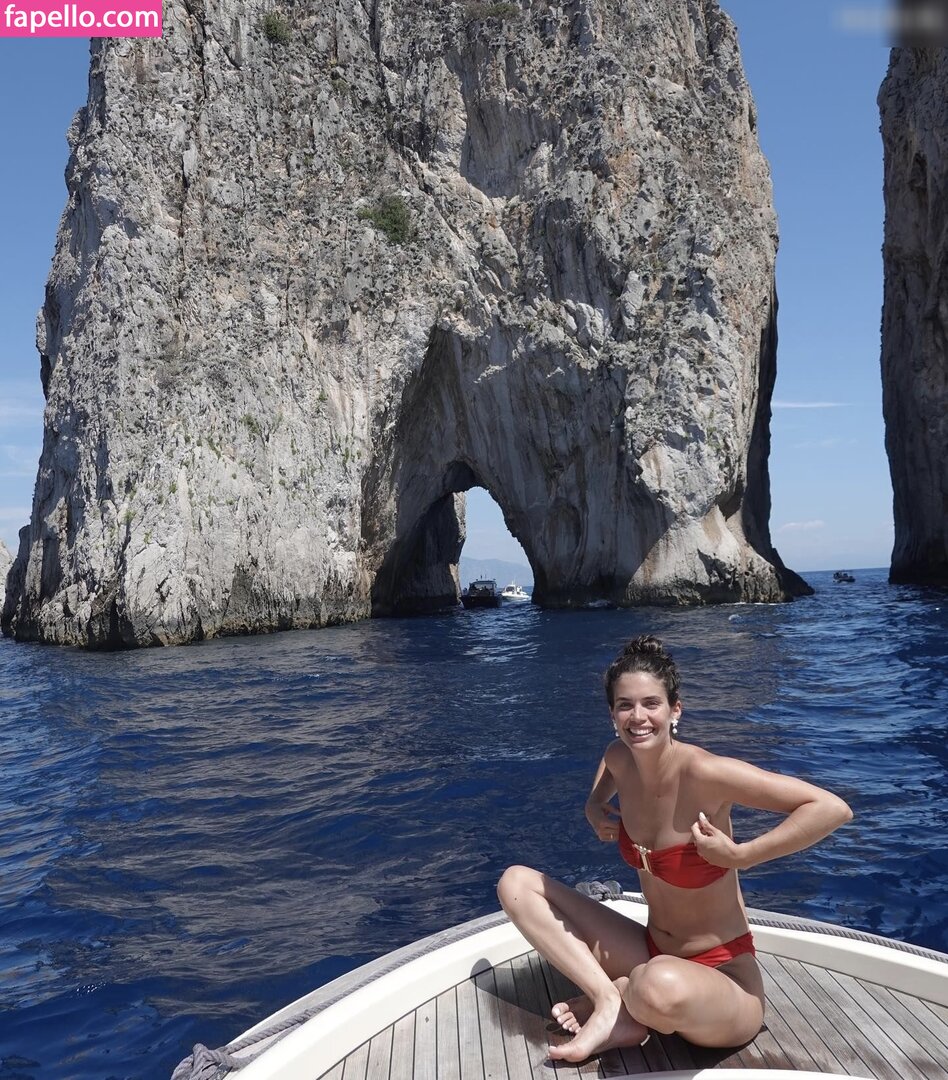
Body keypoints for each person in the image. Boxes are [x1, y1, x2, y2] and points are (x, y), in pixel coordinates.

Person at [497, 635, 853, 1062]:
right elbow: (611, 762)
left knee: (655, 985)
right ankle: (610, 1001)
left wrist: (742, 855)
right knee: (516, 884)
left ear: (675, 710)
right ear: (612, 715)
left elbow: (830, 808)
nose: (638, 717)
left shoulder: (706, 772)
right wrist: (594, 804)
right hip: (649, 949)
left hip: (723, 974)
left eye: (651, 703)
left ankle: (631, 995)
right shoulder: (620, 757)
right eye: (625, 705)